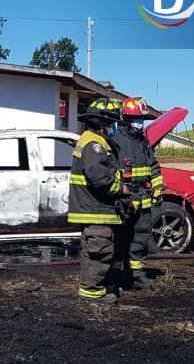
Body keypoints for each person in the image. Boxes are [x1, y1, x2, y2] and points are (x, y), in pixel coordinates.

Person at [69, 98, 128, 304]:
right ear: (102, 124)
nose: (115, 128)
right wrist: (123, 189)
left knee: (98, 250)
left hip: (97, 208)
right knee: (99, 251)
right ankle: (92, 295)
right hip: (95, 208)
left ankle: (96, 289)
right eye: (113, 123)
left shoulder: (96, 141)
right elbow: (100, 178)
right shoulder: (93, 144)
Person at [109, 97, 163, 289]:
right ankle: (115, 276)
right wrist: (120, 195)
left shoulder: (142, 141)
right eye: (135, 119)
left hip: (143, 197)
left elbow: (153, 166)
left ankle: (137, 275)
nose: (139, 123)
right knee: (120, 238)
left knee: (141, 237)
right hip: (123, 199)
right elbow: (110, 171)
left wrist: (158, 188)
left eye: (141, 119)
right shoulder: (115, 140)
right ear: (125, 119)